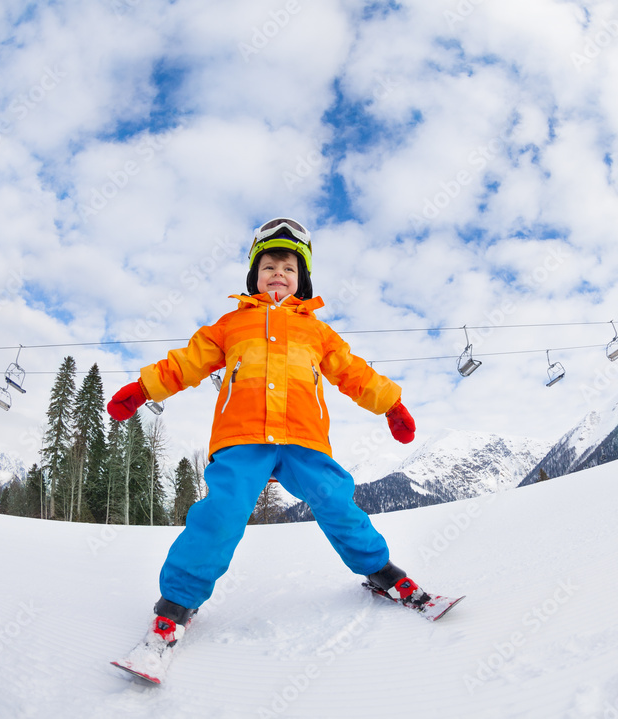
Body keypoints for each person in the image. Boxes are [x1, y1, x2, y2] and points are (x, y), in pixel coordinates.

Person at [107, 217, 423, 678]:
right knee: (221, 514)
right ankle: (174, 608)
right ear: (254, 275)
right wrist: (144, 388)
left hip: (304, 438)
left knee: (337, 501)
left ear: (303, 279)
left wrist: (391, 403)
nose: (278, 273)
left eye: (289, 268)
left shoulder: (317, 332)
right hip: (243, 438)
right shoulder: (232, 324)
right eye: (269, 265)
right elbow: (186, 363)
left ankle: (381, 572)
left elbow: (354, 373)